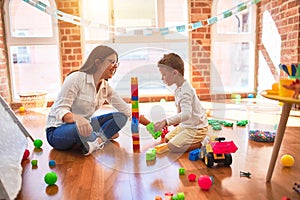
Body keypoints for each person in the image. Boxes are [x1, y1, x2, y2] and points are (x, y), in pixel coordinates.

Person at [46, 45, 148, 156]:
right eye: (112, 62)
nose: (115, 66)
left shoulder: (105, 87)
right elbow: (60, 110)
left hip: (86, 126)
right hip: (58, 130)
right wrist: (78, 118)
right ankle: (99, 138)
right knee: (79, 130)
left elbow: (127, 111)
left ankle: (95, 142)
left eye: (116, 63)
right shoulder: (76, 78)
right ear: (98, 62)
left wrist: (152, 126)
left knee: (120, 117)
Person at [153, 53, 208, 153]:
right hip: (186, 125)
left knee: (173, 147)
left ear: (175, 73)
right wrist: (177, 121)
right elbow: (182, 111)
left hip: (197, 128)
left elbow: (186, 114)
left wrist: (165, 122)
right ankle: (187, 139)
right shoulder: (179, 89)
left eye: (164, 75)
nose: (162, 78)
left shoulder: (185, 91)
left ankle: (203, 142)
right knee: (167, 139)